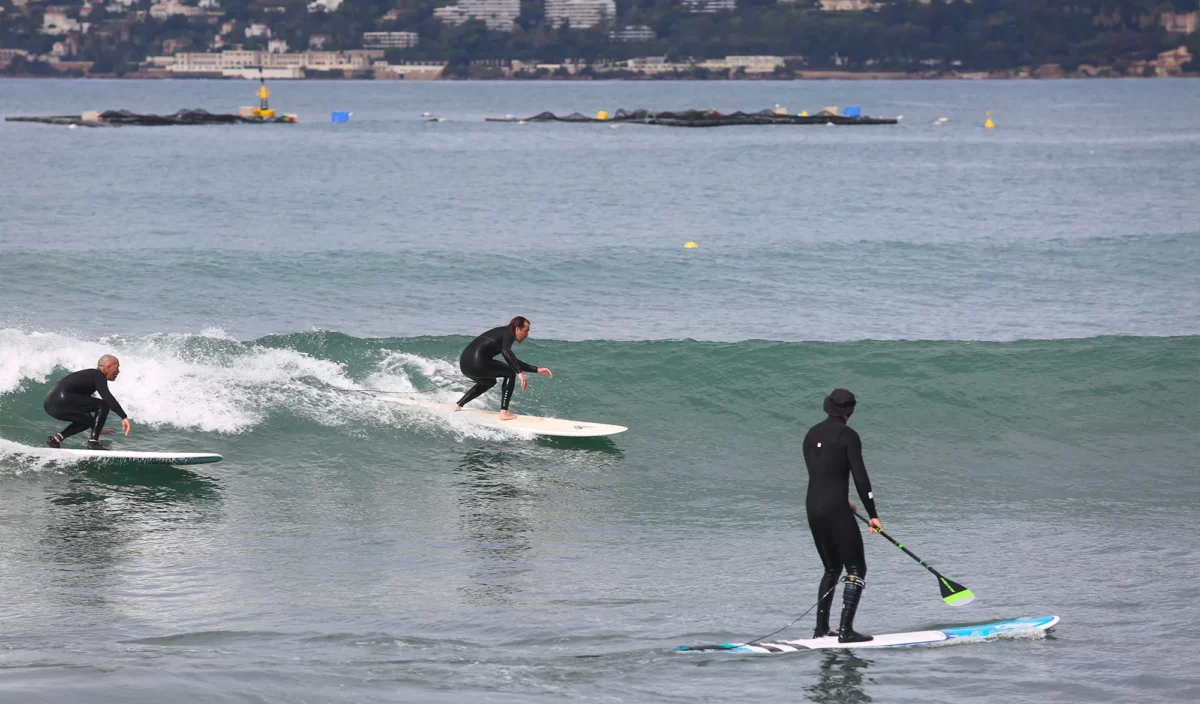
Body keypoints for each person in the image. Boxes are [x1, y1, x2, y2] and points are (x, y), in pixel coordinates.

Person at [802, 388, 882, 643]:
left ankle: (821, 629)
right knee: (856, 568)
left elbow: (821, 474)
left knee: (832, 568)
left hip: (813, 506)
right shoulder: (848, 436)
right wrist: (873, 515)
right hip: (834, 508)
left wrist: (840, 501)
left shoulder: (811, 433)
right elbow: (860, 477)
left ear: (828, 407)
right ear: (852, 410)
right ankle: (846, 631)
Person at [454, 317, 552, 421]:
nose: (527, 335)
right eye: (526, 331)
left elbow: (512, 359)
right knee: (510, 372)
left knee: (489, 382)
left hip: (465, 365)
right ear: (517, 329)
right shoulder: (509, 333)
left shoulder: (502, 332)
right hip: (477, 363)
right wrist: (519, 372)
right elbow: (506, 352)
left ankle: (459, 404)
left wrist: (536, 369)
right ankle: (504, 412)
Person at [44, 355, 132, 450]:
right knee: (103, 405)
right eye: (117, 367)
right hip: (63, 398)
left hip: (50, 405)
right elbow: (107, 397)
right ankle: (93, 442)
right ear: (108, 367)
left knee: (86, 420)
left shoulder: (89, 377)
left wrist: (96, 427)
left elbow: (81, 403)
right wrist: (123, 417)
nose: (118, 371)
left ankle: (56, 439)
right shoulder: (98, 375)